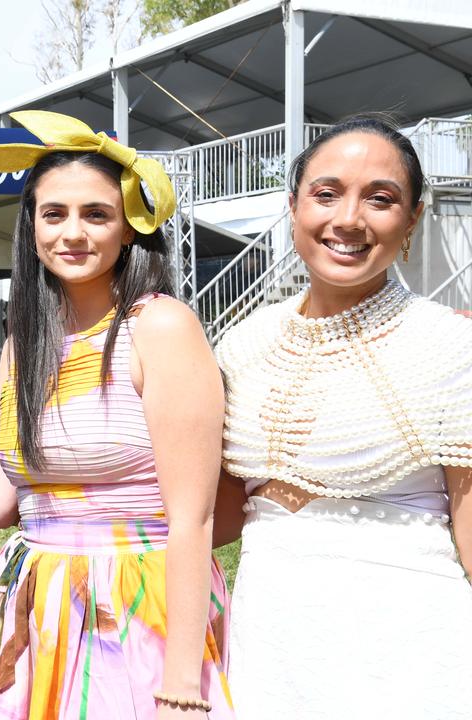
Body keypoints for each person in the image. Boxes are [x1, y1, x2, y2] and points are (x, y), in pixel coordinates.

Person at [0, 111, 233, 719]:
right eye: (54, 214)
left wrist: (181, 677)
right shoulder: (22, 346)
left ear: (129, 229)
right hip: (38, 604)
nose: (72, 233)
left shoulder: (160, 326)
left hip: (138, 603)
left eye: (96, 214)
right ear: (31, 226)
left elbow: (194, 517)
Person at [213, 115, 472, 718]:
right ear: (293, 205)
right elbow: (215, 512)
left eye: (380, 200)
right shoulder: (242, 344)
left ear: (412, 221)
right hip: (269, 640)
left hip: (409, 648)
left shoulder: (449, 347)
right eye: (326, 193)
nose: (349, 219)